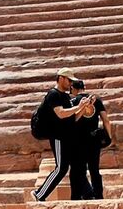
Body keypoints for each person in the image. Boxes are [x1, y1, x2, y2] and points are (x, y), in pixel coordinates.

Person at [32, 70, 95, 201]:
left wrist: (83, 107)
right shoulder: (53, 95)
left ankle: (86, 195)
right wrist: (79, 106)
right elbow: (61, 113)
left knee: (77, 166)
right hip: (58, 137)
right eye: (69, 80)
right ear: (61, 78)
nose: (71, 83)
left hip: (67, 136)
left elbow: (74, 117)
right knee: (61, 168)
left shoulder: (65, 96)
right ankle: (39, 194)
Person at [68, 78, 112, 200]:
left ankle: (82, 195)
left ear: (73, 88)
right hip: (94, 139)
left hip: (78, 140)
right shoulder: (96, 100)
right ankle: (98, 195)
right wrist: (109, 136)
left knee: (79, 170)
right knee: (94, 169)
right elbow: (106, 120)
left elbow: (74, 119)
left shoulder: (73, 101)